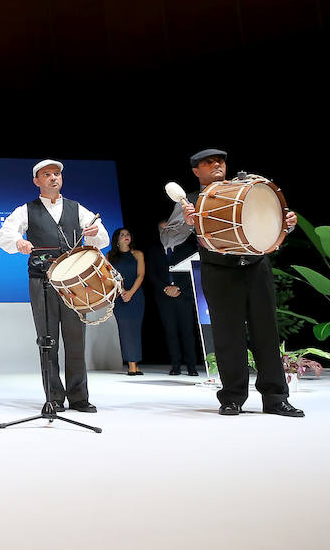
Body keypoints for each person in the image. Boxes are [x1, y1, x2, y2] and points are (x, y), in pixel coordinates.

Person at [161, 149, 303, 417]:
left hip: (256, 266)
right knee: (228, 336)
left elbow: (265, 221)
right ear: (196, 171)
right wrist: (188, 223)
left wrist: (287, 223)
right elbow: (167, 240)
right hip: (219, 271)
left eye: (220, 161)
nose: (216, 165)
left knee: (267, 334)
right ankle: (232, 397)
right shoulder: (191, 201)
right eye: (208, 162)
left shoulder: (247, 188)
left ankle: (275, 398)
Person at [0, 159, 108, 413]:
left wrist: (93, 232)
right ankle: (54, 397)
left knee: (76, 338)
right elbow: (4, 235)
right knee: (47, 339)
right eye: (47, 174)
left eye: (57, 173)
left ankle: (79, 397)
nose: (53, 178)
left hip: (73, 283)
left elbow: (102, 237)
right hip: (41, 280)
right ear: (37, 181)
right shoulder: (26, 209)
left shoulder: (76, 208)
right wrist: (18, 243)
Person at [150, 221, 200, 376]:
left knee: (187, 332)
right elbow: (152, 274)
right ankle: (176, 366)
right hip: (164, 298)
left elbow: (191, 270)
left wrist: (178, 287)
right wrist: (165, 288)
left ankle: (192, 367)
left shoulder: (186, 248)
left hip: (183, 296)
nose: (166, 232)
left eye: (169, 229)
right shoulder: (154, 250)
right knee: (170, 332)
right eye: (162, 230)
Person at [107, 227, 146, 375]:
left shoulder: (137, 254)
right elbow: (108, 277)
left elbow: (141, 275)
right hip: (119, 295)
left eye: (128, 234)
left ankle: (135, 362)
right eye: (122, 235)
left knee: (135, 329)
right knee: (125, 330)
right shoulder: (110, 256)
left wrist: (130, 292)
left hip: (135, 295)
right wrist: (122, 290)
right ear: (117, 239)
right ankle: (131, 364)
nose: (126, 236)